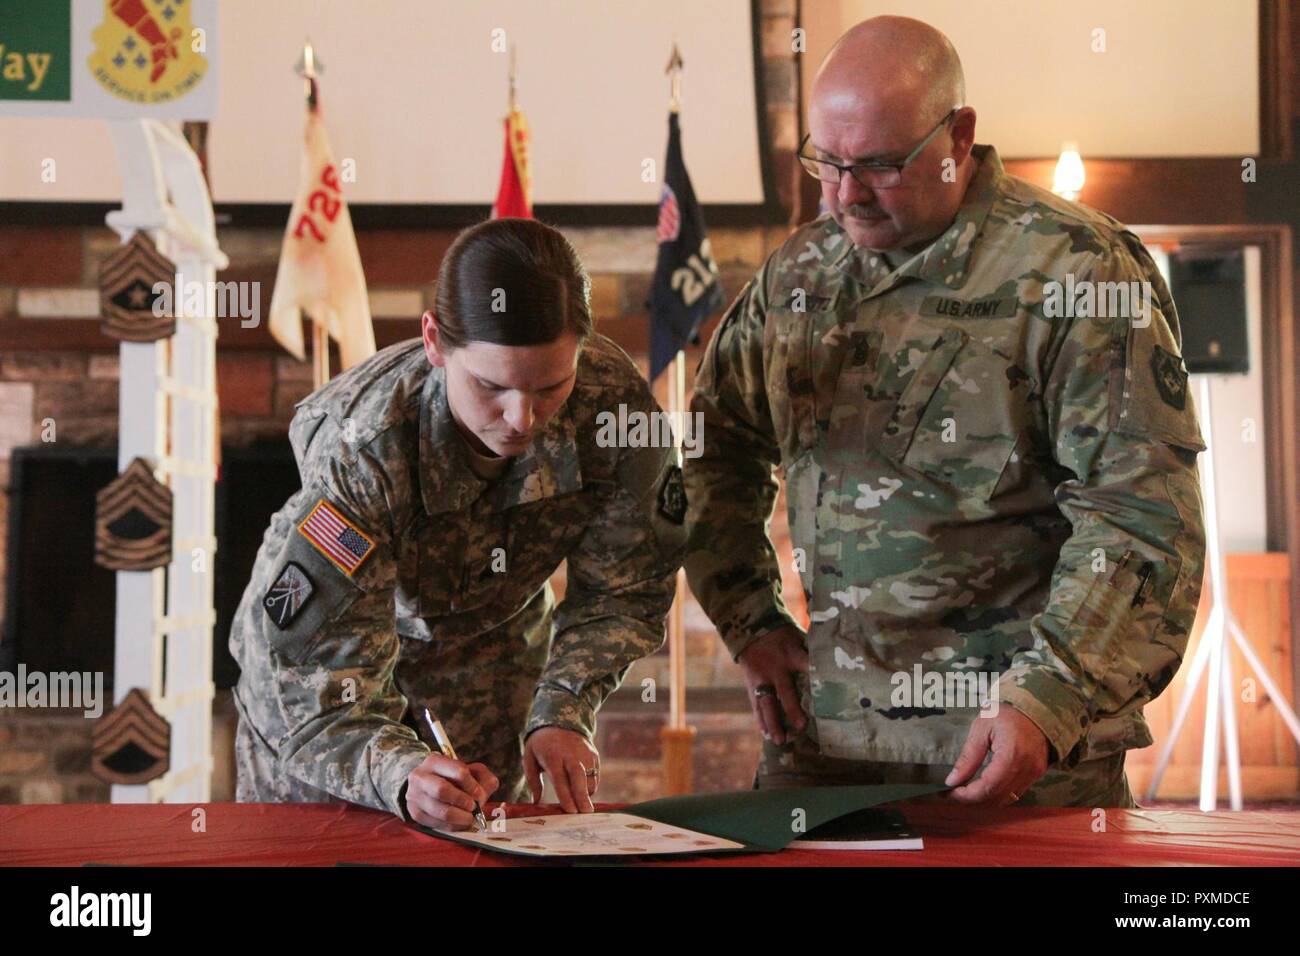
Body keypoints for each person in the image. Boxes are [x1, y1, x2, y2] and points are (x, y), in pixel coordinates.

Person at [683, 16, 1206, 807]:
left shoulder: (1077, 271)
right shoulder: (802, 273)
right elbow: (713, 449)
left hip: (1019, 754)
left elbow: (1140, 515)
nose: (846, 195)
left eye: (881, 166)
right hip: (828, 752)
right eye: (827, 162)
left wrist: (1052, 692)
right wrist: (750, 618)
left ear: (958, 135)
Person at [230, 218, 686, 830]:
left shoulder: (614, 407)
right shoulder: (364, 449)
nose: (522, 418)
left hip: (493, 650)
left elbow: (626, 589)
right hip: (323, 679)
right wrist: (395, 771)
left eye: (552, 386)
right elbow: (312, 682)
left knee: (483, 840)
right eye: (491, 385)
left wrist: (562, 708)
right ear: (434, 342)